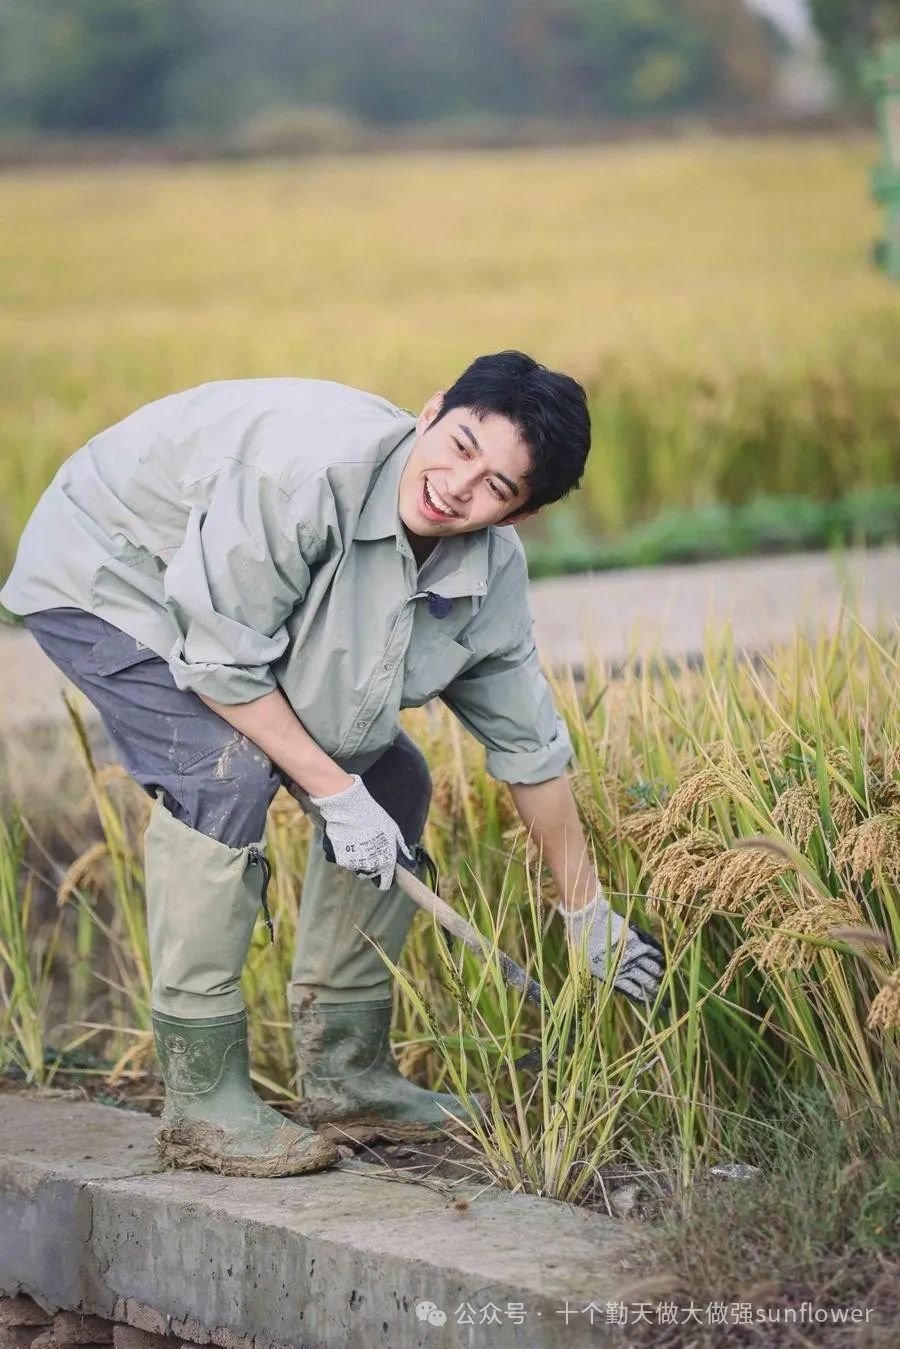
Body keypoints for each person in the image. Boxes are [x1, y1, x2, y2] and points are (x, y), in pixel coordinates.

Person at [1, 350, 666, 1178]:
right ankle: (201, 1102)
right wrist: (329, 789)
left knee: (394, 780)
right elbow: (221, 659)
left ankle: (348, 1077)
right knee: (224, 767)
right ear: (430, 411)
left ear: (519, 514)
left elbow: (530, 747)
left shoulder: (487, 575)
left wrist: (585, 908)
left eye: (498, 485)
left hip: (233, 612)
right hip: (111, 566)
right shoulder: (304, 475)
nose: (459, 486)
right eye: (460, 445)